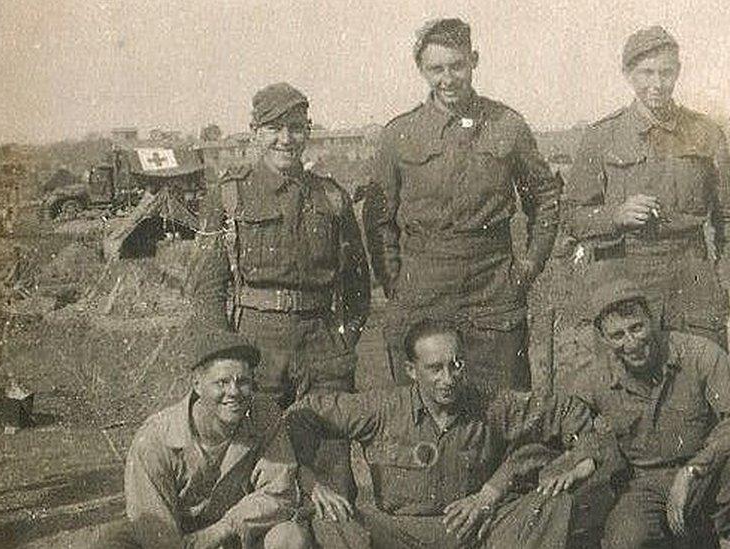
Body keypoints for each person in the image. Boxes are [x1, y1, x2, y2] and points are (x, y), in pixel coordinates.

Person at [189, 82, 371, 501]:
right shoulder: (229, 195)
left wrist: (344, 339)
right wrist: (228, 354)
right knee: (253, 461)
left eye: (295, 127)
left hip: (322, 344)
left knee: (331, 466)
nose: (285, 139)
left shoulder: (330, 197)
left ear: (307, 131)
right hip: (256, 345)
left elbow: (358, 283)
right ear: (255, 131)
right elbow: (207, 287)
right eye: (273, 128)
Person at [288, 319, 619, 548]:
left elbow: (568, 412)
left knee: (550, 505)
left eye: (456, 364)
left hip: (475, 529)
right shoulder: (382, 407)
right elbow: (299, 416)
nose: (448, 378)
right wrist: (312, 483)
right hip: (400, 533)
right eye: (435, 368)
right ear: (411, 371)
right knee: (329, 521)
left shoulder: (491, 403)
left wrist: (582, 460)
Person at [367, 18, 562, 393]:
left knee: (504, 404)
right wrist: (396, 282)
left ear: (473, 60)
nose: (448, 78)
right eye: (436, 69)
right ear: (421, 70)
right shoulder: (399, 134)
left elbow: (545, 199)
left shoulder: (506, 125)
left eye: (457, 66)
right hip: (423, 289)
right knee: (426, 406)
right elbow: (379, 220)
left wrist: (528, 267)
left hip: (493, 288)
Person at [562, 26, 730, 350]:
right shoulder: (602, 136)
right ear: (628, 74)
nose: (657, 84)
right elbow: (573, 216)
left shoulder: (705, 133)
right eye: (646, 73)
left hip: (693, 277)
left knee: (703, 377)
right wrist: (615, 215)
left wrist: (728, 276)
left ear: (677, 72)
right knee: (634, 384)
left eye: (666, 72)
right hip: (627, 278)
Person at [573, 275, 730, 549]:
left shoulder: (698, 354)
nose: (631, 343)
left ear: (653, 321)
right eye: (618, 335)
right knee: (625, 540)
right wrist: (585, 454)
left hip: (706, 472)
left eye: (637, 328)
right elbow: (567, 420)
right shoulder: (595, 378)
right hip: (646, 485)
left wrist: (694, 469)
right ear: (604, 339)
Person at [97, 330, 311, 549]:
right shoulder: (154, 440)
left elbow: (279, 493)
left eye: (243, 381)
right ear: (197, 385)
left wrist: (224, 529)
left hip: (237, 534)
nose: (234, 392)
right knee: (112, 542)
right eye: (222, 382)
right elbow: (157, 532)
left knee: (289, 537)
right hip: (176, 538)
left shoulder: (264, 417)